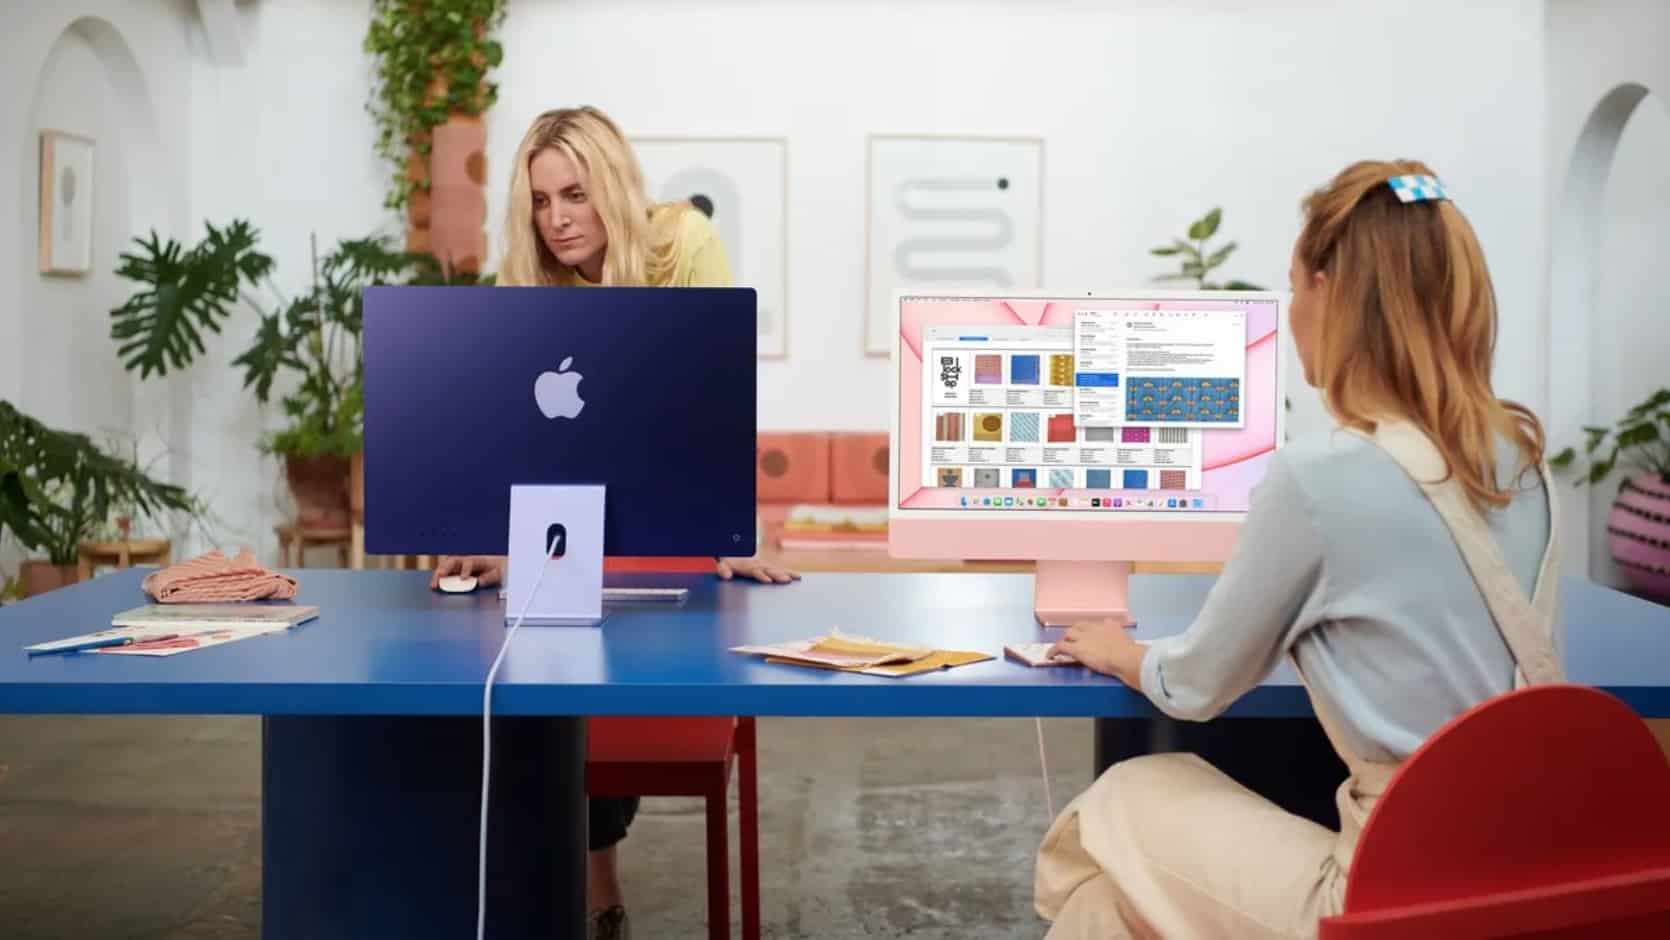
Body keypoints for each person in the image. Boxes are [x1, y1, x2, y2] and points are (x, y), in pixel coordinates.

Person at [1033, 159, 1562, 939]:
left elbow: (1197, 685)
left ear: (1329, 292)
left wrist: (1121, 651)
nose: (1291, 314)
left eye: (1292, 288)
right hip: (1527, 876)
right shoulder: (1525, 461)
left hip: (1383, 892)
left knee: (1127, 794)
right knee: (1105, 910)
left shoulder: (1320, 477)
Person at [429, 105, 799, 940]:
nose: (556, 219)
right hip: (570, 516)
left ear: (614, 187)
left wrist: (731, 529)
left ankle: (591, 880)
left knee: (623, 660)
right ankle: (590, 884)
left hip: (666, 512)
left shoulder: (682, 243)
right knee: (541, 659)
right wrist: (497, 538)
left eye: (575, 195)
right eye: (539, 201)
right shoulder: (527, 281)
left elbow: (715, 400)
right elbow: (512, 437)